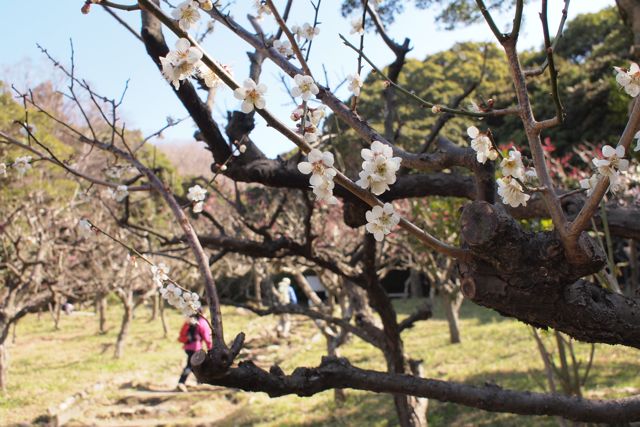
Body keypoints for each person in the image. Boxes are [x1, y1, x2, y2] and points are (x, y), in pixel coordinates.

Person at [176, 309, 212, 392]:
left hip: (188, 347)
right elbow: (207, 337)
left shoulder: (189, 321)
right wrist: (210, 348)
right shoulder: (202, 322)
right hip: (196, 348)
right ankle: (182, 382)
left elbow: (182, 334)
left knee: (194, 366)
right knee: (192, 366)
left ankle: (198, 382)